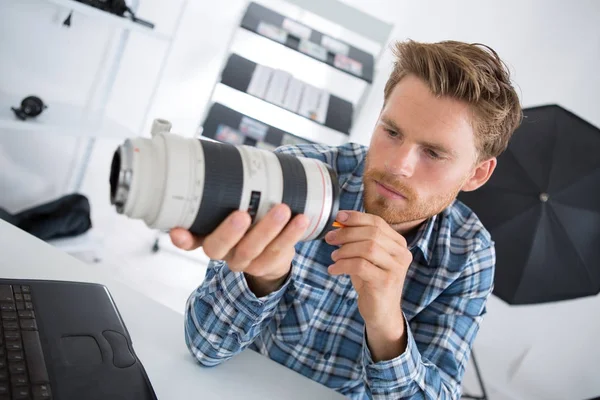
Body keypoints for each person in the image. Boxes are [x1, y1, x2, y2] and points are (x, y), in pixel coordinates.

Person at [170, 39, 522, 399]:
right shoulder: (296, 174)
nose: (398, 165)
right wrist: (263, 278)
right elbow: (203, 347)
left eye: (433, 152)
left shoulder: (469, 255)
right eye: (392, 132)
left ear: (476, 174)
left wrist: (386, 323)